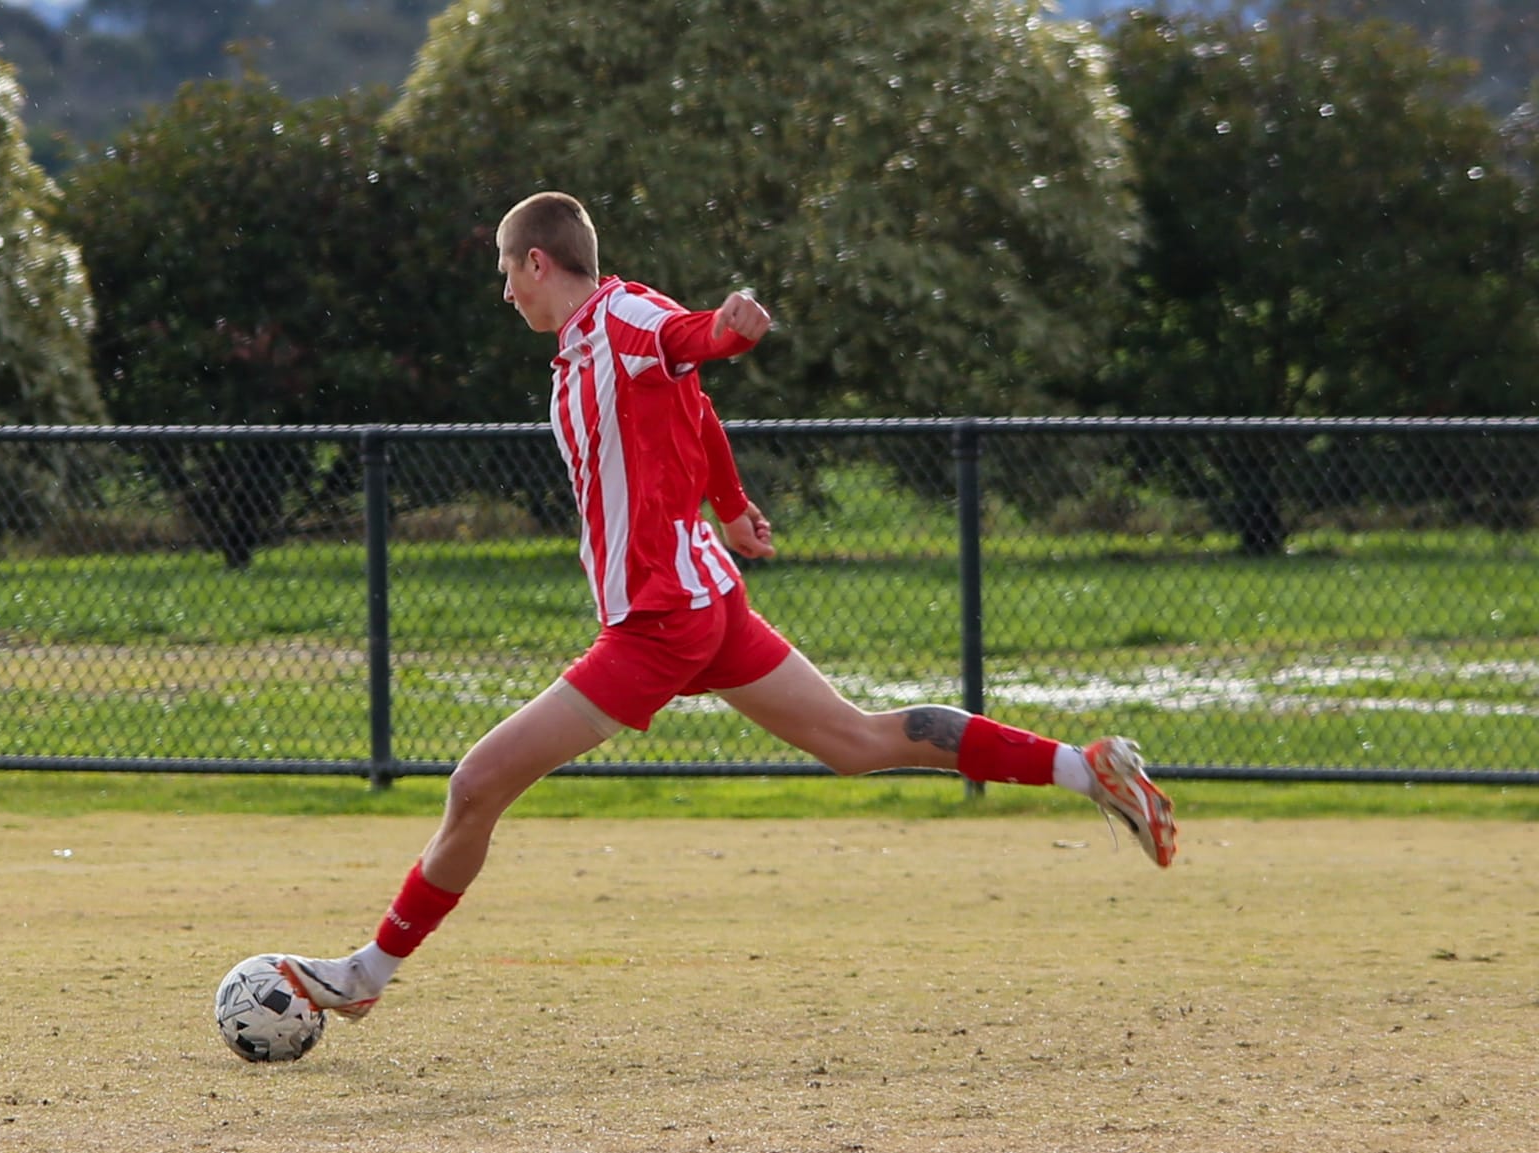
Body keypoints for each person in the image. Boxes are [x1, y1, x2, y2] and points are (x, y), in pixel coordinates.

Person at [277, 191, 1176, 1020]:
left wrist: (732, 328)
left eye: (505, 273)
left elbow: (689, 342)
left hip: (663, 620)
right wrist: (734, 507)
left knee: (474, 785)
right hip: (706, 596)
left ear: (538, 263)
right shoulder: (589, 345)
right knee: (858, 743)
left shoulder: (621, 317)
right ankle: (1082, 768)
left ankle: (364, 978)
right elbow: (696, 410)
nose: (504, 292)